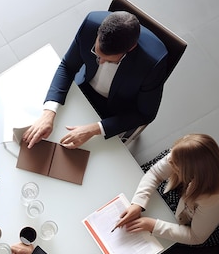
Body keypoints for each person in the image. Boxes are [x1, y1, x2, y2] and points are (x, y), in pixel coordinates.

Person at [23, 10, 168, 149]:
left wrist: (94, 129)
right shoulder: (90, 24)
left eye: (109, 61)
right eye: (97, 54)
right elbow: (68, 66)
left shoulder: (153, 63)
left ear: (130, 49)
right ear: (99, 31)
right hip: (82, 88)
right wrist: (48, 112)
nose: (100, 62)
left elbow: (145, 114)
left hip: (114, 111)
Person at [114, 133, 219, 247]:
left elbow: (196, 237)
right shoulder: (192, 155)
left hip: (200, 227)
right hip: (187, 197)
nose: (169, 160)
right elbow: (155, 173)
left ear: (189, 173)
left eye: (174, 164)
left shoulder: (218, 198)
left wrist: (152, 225)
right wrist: (138, 203)